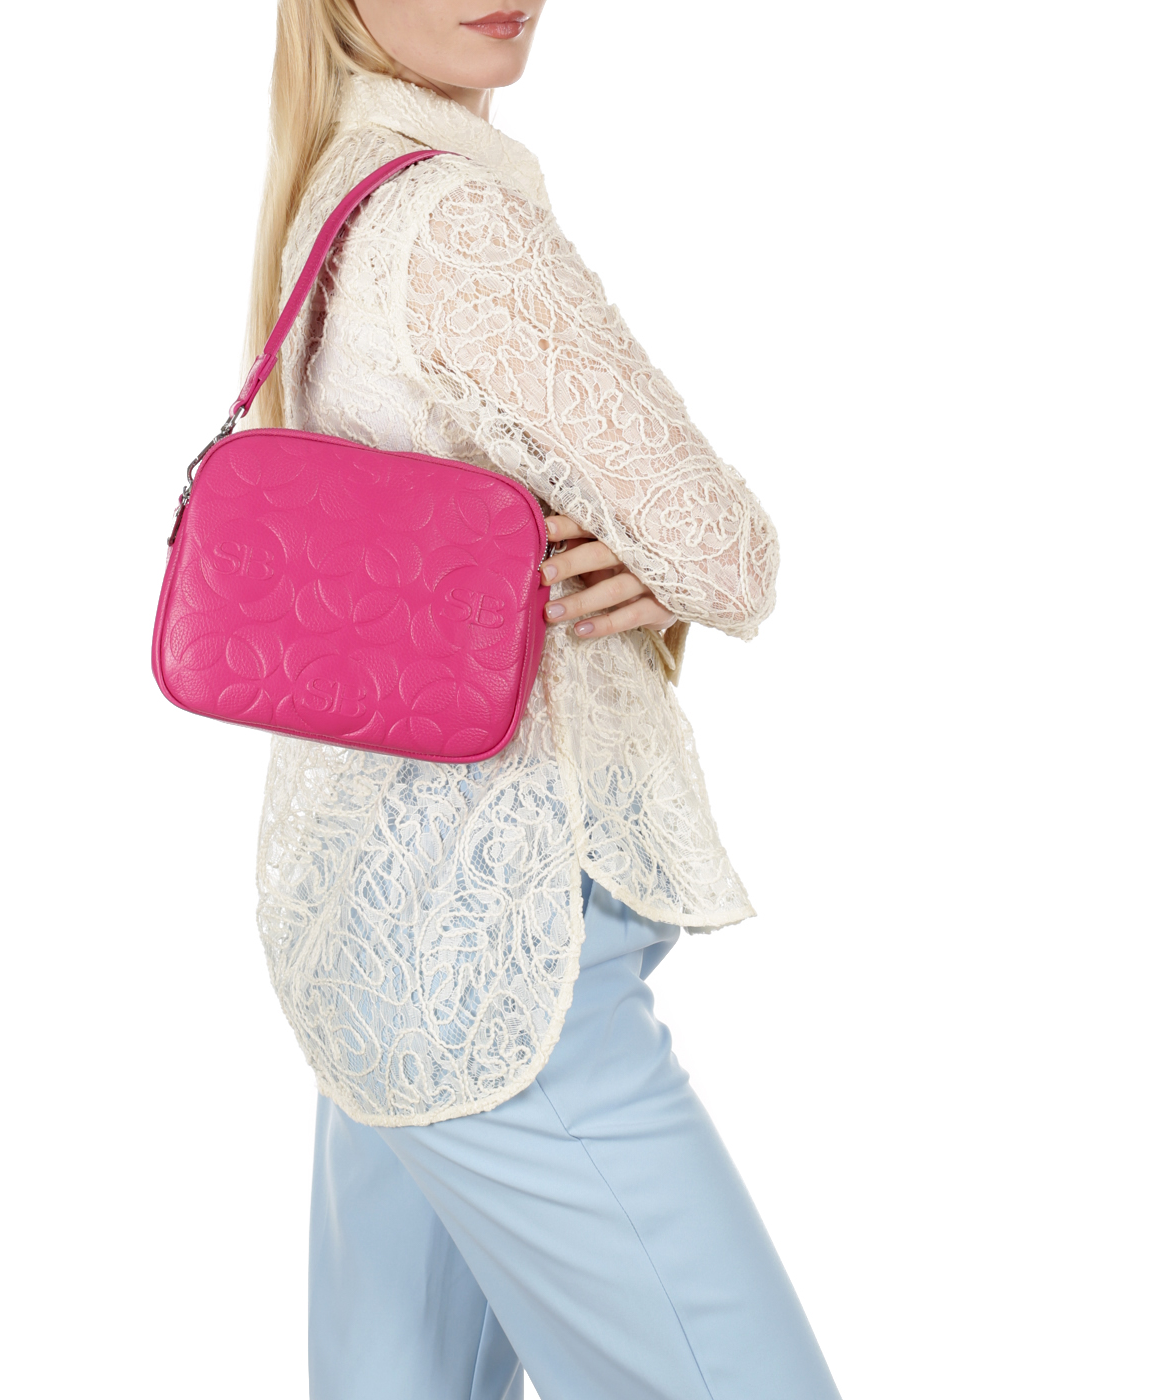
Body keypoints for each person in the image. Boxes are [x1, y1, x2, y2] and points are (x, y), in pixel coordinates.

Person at [244, 4, 841, 1397]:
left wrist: (633, 547)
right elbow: (727, 550)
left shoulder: (338, 187)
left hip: (373, 934)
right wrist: (659, 554)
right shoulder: (454, 221)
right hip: (501, 968)